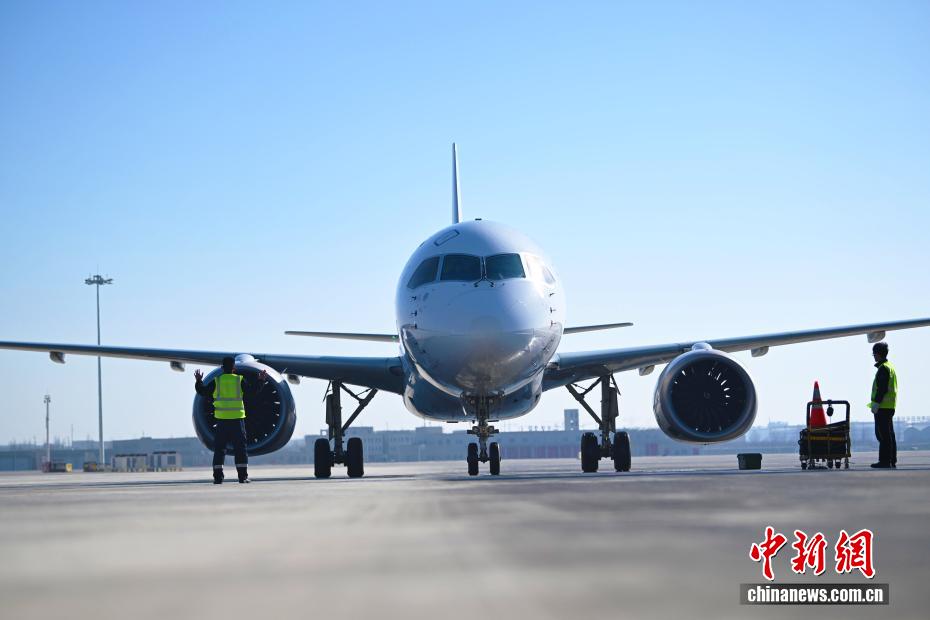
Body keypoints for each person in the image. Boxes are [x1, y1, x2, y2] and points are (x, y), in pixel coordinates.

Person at [195, 357, 267, 483]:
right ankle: (242, 477)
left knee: (219, 450)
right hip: (237, 420)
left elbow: (203, 391)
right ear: (234, 368)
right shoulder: (239, 380)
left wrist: (199, 381)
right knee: (240, 449)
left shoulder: (216, 381)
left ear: (222, 368)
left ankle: (218, 478)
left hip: (222, 421)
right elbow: (252, 392)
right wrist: (260, 380)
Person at [869, 342, 897, 469]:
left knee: (883, 435)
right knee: (889, 434)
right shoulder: (889, 366)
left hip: (883, 407)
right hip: (889, 406)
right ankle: (891, 460)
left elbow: (882, 389)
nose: (873, 356)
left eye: (874, 353)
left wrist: (876, 403)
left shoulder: (883, 369)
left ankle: (884, 461)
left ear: (878, 354)